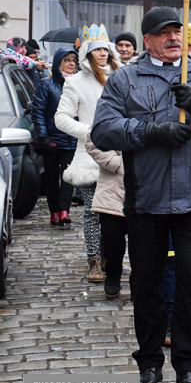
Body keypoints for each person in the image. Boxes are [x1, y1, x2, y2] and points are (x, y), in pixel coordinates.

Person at [91, 7, 191, 383]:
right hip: (146, 199)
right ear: (147, 40)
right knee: (147, 284)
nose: (174, 37)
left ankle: (188, 367)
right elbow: (104, 131)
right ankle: (148, 362)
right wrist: (151, 131)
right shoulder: (125, 79)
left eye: (178, 31)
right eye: (164, 32)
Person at [55, 24, 121, 283]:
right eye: (96, 49)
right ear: (87, 53)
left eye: (105, 48)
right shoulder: (76, 82)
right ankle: (94, 259)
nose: (102, 53)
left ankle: (109, 256)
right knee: (93, 211)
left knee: (116, 212)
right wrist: (91, 133)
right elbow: (61, 118)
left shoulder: (122, 75)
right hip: (90, 157)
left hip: (121, 154)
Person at [31, 47, 78, 226]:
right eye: (67, 60)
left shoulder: (78, 84)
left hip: (72, 139)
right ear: (59, 63)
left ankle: (64, 210)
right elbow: (38, 111)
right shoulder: (46, 84)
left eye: (73, 60)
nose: (71, 63)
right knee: (51, 177)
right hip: (51, 140)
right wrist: (43, 135)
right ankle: (54, 211)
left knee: (69, 177)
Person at [85, 134, 127, 300]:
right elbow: (92, 137)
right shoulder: (110, 107)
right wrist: (116, 163)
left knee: (144, 239)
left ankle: (139, 280)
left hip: (146, 181)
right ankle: (113, 275)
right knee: (112, 234)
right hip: (113, 184)